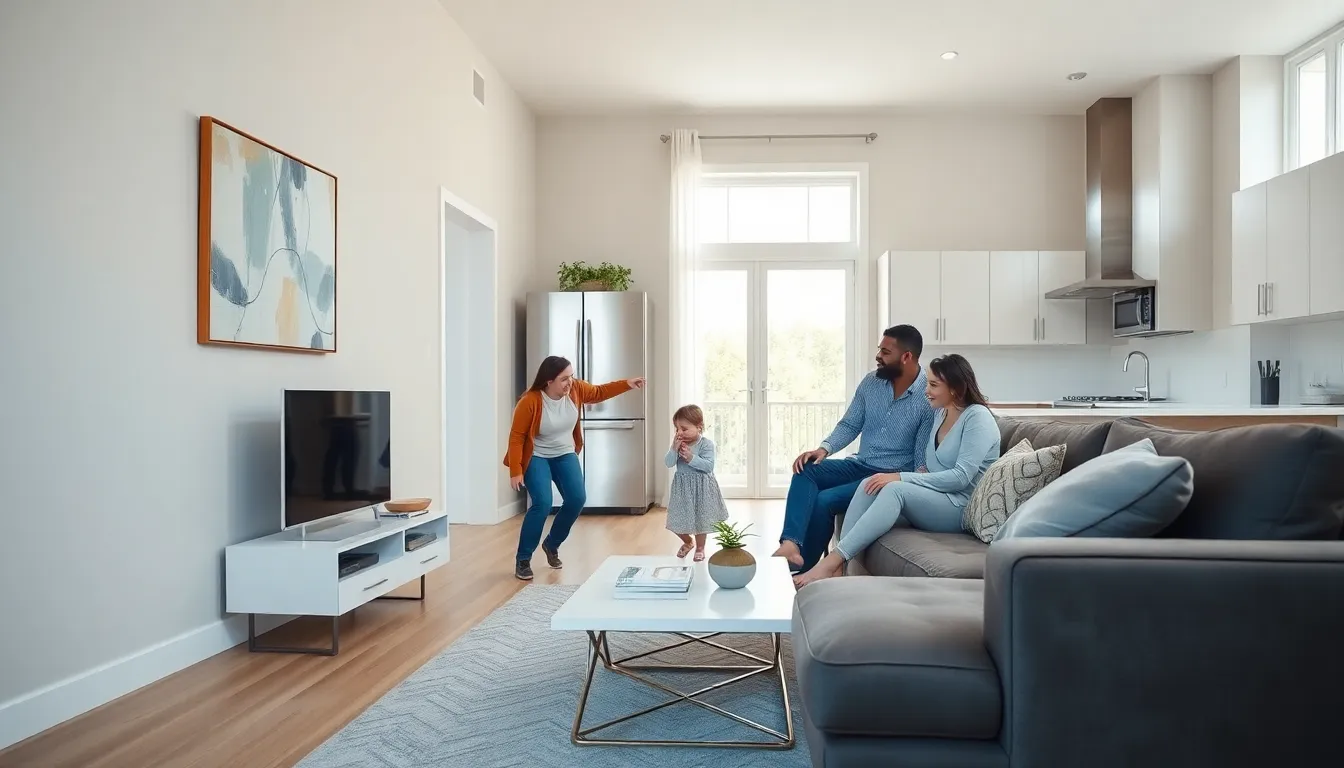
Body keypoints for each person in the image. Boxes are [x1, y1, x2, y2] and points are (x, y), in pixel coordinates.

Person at [793, 353, 1001, 587]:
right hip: (939, 498)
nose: (926, 390)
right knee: (870, 483)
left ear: (955, 388)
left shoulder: (977, 418)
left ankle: (831, 562)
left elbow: (961, 478)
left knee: (894, 489)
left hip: (959, 507)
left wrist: (901, 476)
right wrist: (921, 472)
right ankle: (842, 565)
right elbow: (934, 465)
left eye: (933, 385)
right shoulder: (941, 414)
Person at [772, 325, 936, 572]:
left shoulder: (928, 397)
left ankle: (804, 570)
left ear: (906, 357)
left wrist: (907, 481)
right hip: (859, 463)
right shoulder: (871, 382)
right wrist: (824, 449)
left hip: (886, 477)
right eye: (879, 349)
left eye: (885, 351)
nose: (878, 356)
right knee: (806, 468)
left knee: (825, 500)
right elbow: (851, 423)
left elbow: (921, 457)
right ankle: (791, 543)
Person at [504, 355, 646, 581]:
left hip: (564, 453)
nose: (570, 382)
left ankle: (552, 544)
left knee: (577, 499)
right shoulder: (530, 401)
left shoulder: (576, 389)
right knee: (542, 504)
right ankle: (523, 559)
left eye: (571, 376)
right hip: (537, 456)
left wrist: (626, 384)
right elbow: (517, 437)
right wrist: (516, 470)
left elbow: (599, 392)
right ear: (548, 381)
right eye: (563, 379)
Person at [663, 404, 729, 562]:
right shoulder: (678, 444)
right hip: (683, 489)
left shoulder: (706, 444)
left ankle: (700, 547)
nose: (679, 433)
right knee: (674, 520)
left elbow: (708, 466)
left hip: (702, 488)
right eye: (677, 429)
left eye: (684, 429)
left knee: (701, 520)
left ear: (699, 427)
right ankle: (688, 541)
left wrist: (691, 457)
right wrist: (673, 448)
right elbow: (668, 463)